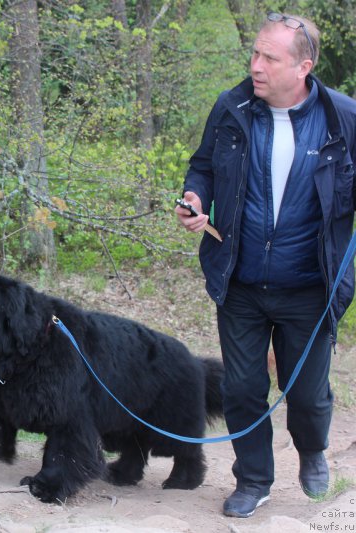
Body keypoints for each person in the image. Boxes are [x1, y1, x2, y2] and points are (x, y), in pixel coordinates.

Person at [176, 13, 356, 518]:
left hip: (311, 287)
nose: (255, 65)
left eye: (269, 58)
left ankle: (312, 449)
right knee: (241, 388)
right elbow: (202, 166)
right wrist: (195, 198)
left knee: (307, 395)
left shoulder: (343, 118)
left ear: (303, 66)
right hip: (240, 280)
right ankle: (253, 480)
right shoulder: (231, 108)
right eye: (255, 53)